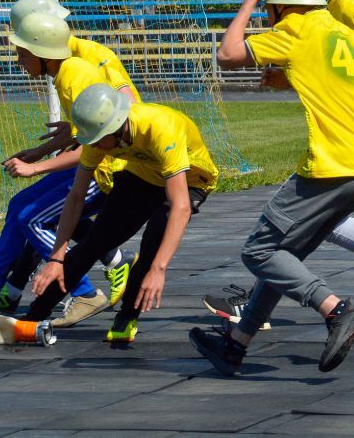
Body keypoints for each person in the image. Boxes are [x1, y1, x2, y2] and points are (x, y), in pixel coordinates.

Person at [190, 0, 354, 375]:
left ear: (280, 5)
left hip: (328, 167)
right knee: (284, 258)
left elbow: (228, 54)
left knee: (259, 251)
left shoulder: (293, 31)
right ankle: (236, 344)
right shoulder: (350, 35)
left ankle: (337, 310)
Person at [0, 5, 135, 328]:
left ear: (43, 53)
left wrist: (36, 168)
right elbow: (81, 130)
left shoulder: (76, 75)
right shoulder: (65, 72)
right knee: (19, 207)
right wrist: (39, 151)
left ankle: (84, 292)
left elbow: (95, 143)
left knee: (35, 219)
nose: (19, 62)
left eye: (23, 55)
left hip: (107, 170)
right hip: (94, 161)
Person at [21, 83, 219, 343]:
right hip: (142, 174)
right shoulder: (98, 139)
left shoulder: (160, 129)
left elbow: (180, 206)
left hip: (189, 180)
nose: (97, 148)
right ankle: (33, 317)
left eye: (99, 140)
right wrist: (57, 258)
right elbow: (77, 196)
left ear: (116, 126)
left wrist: (159, 269)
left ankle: (127, 315)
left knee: (153, 247)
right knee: (93, 244)